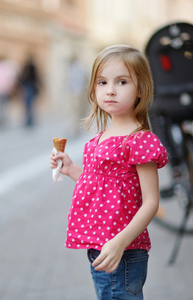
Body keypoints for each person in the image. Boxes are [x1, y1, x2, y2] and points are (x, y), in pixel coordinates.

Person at [50, 45, 168, 299]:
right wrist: (71, 169)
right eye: (102, 82)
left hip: (123, 251)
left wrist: (120, 243)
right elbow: (99, 185)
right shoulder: (101, 137)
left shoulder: (138, 140)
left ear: (141, 90)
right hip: (101, 246)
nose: (110, 90)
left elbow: (150, 202)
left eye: (122, 82)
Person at [18, 55, 41, 127]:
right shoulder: (31, 67)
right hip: (30, 86)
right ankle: (30, 119)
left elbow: (21, 78)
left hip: (26, 87)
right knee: (30, 104)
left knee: (27, 104)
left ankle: (28, 119)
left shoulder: (26, 67)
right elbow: (36, 77)